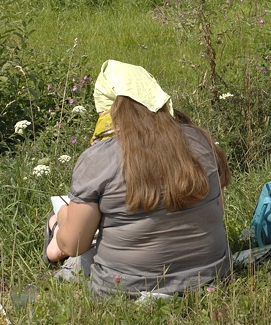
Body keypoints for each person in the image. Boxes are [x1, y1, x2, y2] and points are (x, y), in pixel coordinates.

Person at [43, 60, 232, 298]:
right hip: (211, 277)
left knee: (62, 223)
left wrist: (61, 217)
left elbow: (74, 246)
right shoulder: (199, 141)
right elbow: (218, 210)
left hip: (125, 287)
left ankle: (54, 239)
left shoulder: (100, 158)